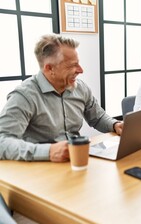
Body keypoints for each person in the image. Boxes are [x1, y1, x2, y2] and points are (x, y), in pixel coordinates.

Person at [0, 34, 123, 162]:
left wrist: (115, 125)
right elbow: (2, 142)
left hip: (74, 161)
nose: (81, 70)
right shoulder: (24, 96)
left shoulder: (80, 88)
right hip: (40, 167)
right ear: (49, 68)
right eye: (72, 66)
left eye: (78, 64)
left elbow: (98, 117)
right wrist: (48, 152)